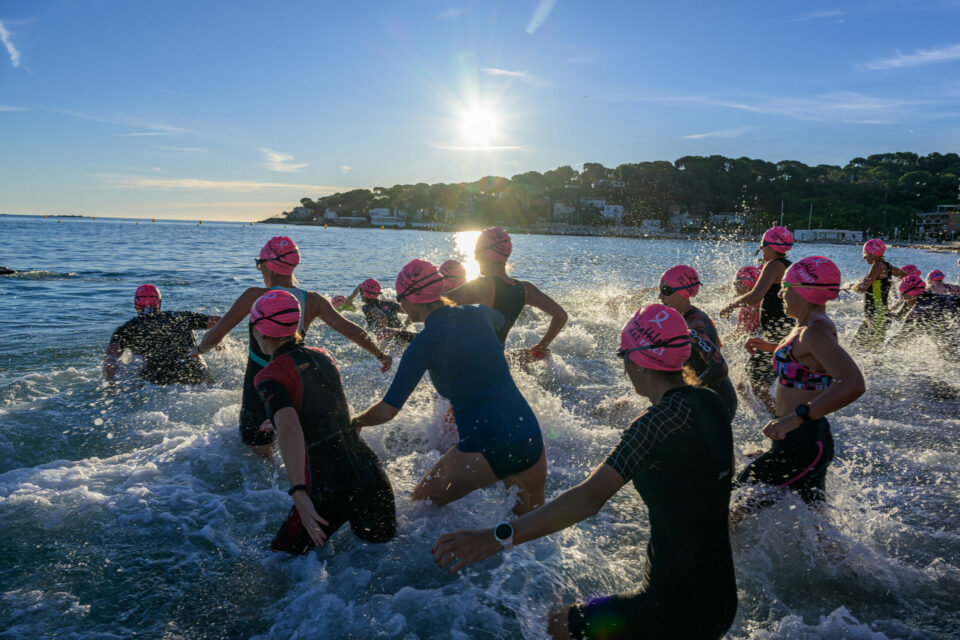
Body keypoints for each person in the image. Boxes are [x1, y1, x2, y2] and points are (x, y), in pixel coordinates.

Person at [431, 304, 737, 640]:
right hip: (721, 600)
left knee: (557, 626)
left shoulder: (650, 428)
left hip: (672, 608)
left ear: (636, 361)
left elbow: (588, 499)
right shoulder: (713, 404)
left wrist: (496, 537)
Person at [351, 259, 547, 514]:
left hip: (486, 443)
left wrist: (356, 421)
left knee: (420, 508)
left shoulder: (422, 344)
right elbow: (500, 318)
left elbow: (388, 410)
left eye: (400, 299)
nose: (400, 305)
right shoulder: (480, 313)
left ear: (410, 300)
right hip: (530, 436)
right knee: (528, 531)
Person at [191, 237, 391, 459]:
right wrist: (379, 354)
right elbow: (350, 329)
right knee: (295, 445)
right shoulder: (313, 300)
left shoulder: (254, 296)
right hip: (295, 385)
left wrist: (198, 349)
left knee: (261, 459)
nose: (259, 269)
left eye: (260, 264)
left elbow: (216, 335)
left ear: (268, 265)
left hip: (258, 389)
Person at [249, 290, 396, 555]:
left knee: (281, 561)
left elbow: (290, 428)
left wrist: (298, 493)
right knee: (381, 563)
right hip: (371, 475)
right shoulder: (323, 355)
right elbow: (326, 408)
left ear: (259, 331)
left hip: (327, 486)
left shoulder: (269, 376)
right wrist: (283, 418)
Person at [738, 256, 865, 506]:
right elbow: (809, 361)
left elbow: (853, 383)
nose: (780, 295)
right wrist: (772, 347)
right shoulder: (806, 327)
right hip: (803, 440)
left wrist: (794, 418)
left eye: (785, 287)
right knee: (819, 527)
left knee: (734, 502)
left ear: (803, 291)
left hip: (803, 442)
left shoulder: (813, 332)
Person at [447, 227, 567, 360]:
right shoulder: (525, 289)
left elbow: (432, 307)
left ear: (484, 255)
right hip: (498, 362)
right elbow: (561, 315)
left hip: (475, 365)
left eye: (476, 253)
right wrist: (541, 346)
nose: (475, 258)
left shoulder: (483, 285)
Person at [719, 226, 795, 411]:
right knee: (761, 385)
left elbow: (756, 295)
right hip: (783, 331)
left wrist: (730, 306)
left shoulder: (773, 265)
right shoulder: (787, 265)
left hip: (776, 333)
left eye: (763, 246)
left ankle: (781, 422)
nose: (761, 250)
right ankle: (780, 417)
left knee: (756, 386)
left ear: (771, 246)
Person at [657, 265, 738, 419]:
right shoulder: (679, 319)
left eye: (666, 291)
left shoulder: (694, 326)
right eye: (660, 290)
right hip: (705, 399)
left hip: (718, 403)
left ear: (683, 293)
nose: (660, 296)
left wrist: (687, 392)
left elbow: (719, 367)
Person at [103, 285, 220, 385]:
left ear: (136, 305)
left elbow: (110, 361)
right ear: (159, 303)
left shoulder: (125, 329)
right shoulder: (181, 317)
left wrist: (113, 387)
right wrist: (221, 345)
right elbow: (219, 322)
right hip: (197, 376)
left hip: (156, 384)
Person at [851, 239, 904, 349]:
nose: (864, 257)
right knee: (855, 346)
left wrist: (852, 286)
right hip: (875, 315)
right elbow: (905, 275)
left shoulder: (878, 266)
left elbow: (861, 288)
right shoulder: (887, 266)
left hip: (878, 316)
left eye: (866, 253)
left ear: (874, 253)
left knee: (872, 352)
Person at [887, 275, 960, 351]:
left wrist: (883, 351)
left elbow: (899, 336)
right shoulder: (935, 296)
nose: (904, 299)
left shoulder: (918, 310)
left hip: (950, 345)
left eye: (903, 295)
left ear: (912, 294)